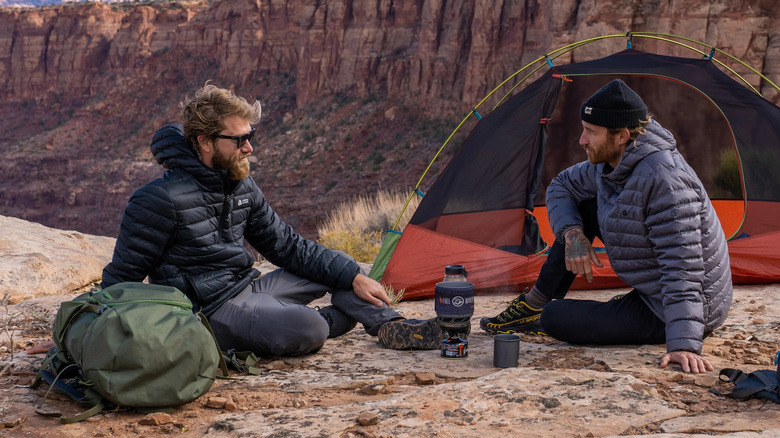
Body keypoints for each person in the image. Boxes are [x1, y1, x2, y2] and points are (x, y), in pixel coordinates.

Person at [101, 84, 441, 356]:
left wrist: (350, 275)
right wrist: (85, 332)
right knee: (309, 328)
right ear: (204, 141)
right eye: (239, 140)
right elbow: (122, 277)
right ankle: (316, 322)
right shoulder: (157, 200)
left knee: (347, 270)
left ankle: (392, 327)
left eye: (251, 136)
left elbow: (285, 246)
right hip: (210, 311)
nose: (249, 148)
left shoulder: (240, 184)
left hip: (249, 287)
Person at [480, 79, 733, 373]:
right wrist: (573, 234)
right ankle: (531, 305)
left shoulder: (666, 181)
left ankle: (547, 311)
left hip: (676, 308)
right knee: (583, 209)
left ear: (621, 135)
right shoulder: (612, 163)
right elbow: (561, 186)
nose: (581, 141)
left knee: (555, 318)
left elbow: (683, 268)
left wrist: (684, 344)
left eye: (591, 132)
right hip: (653, 290)